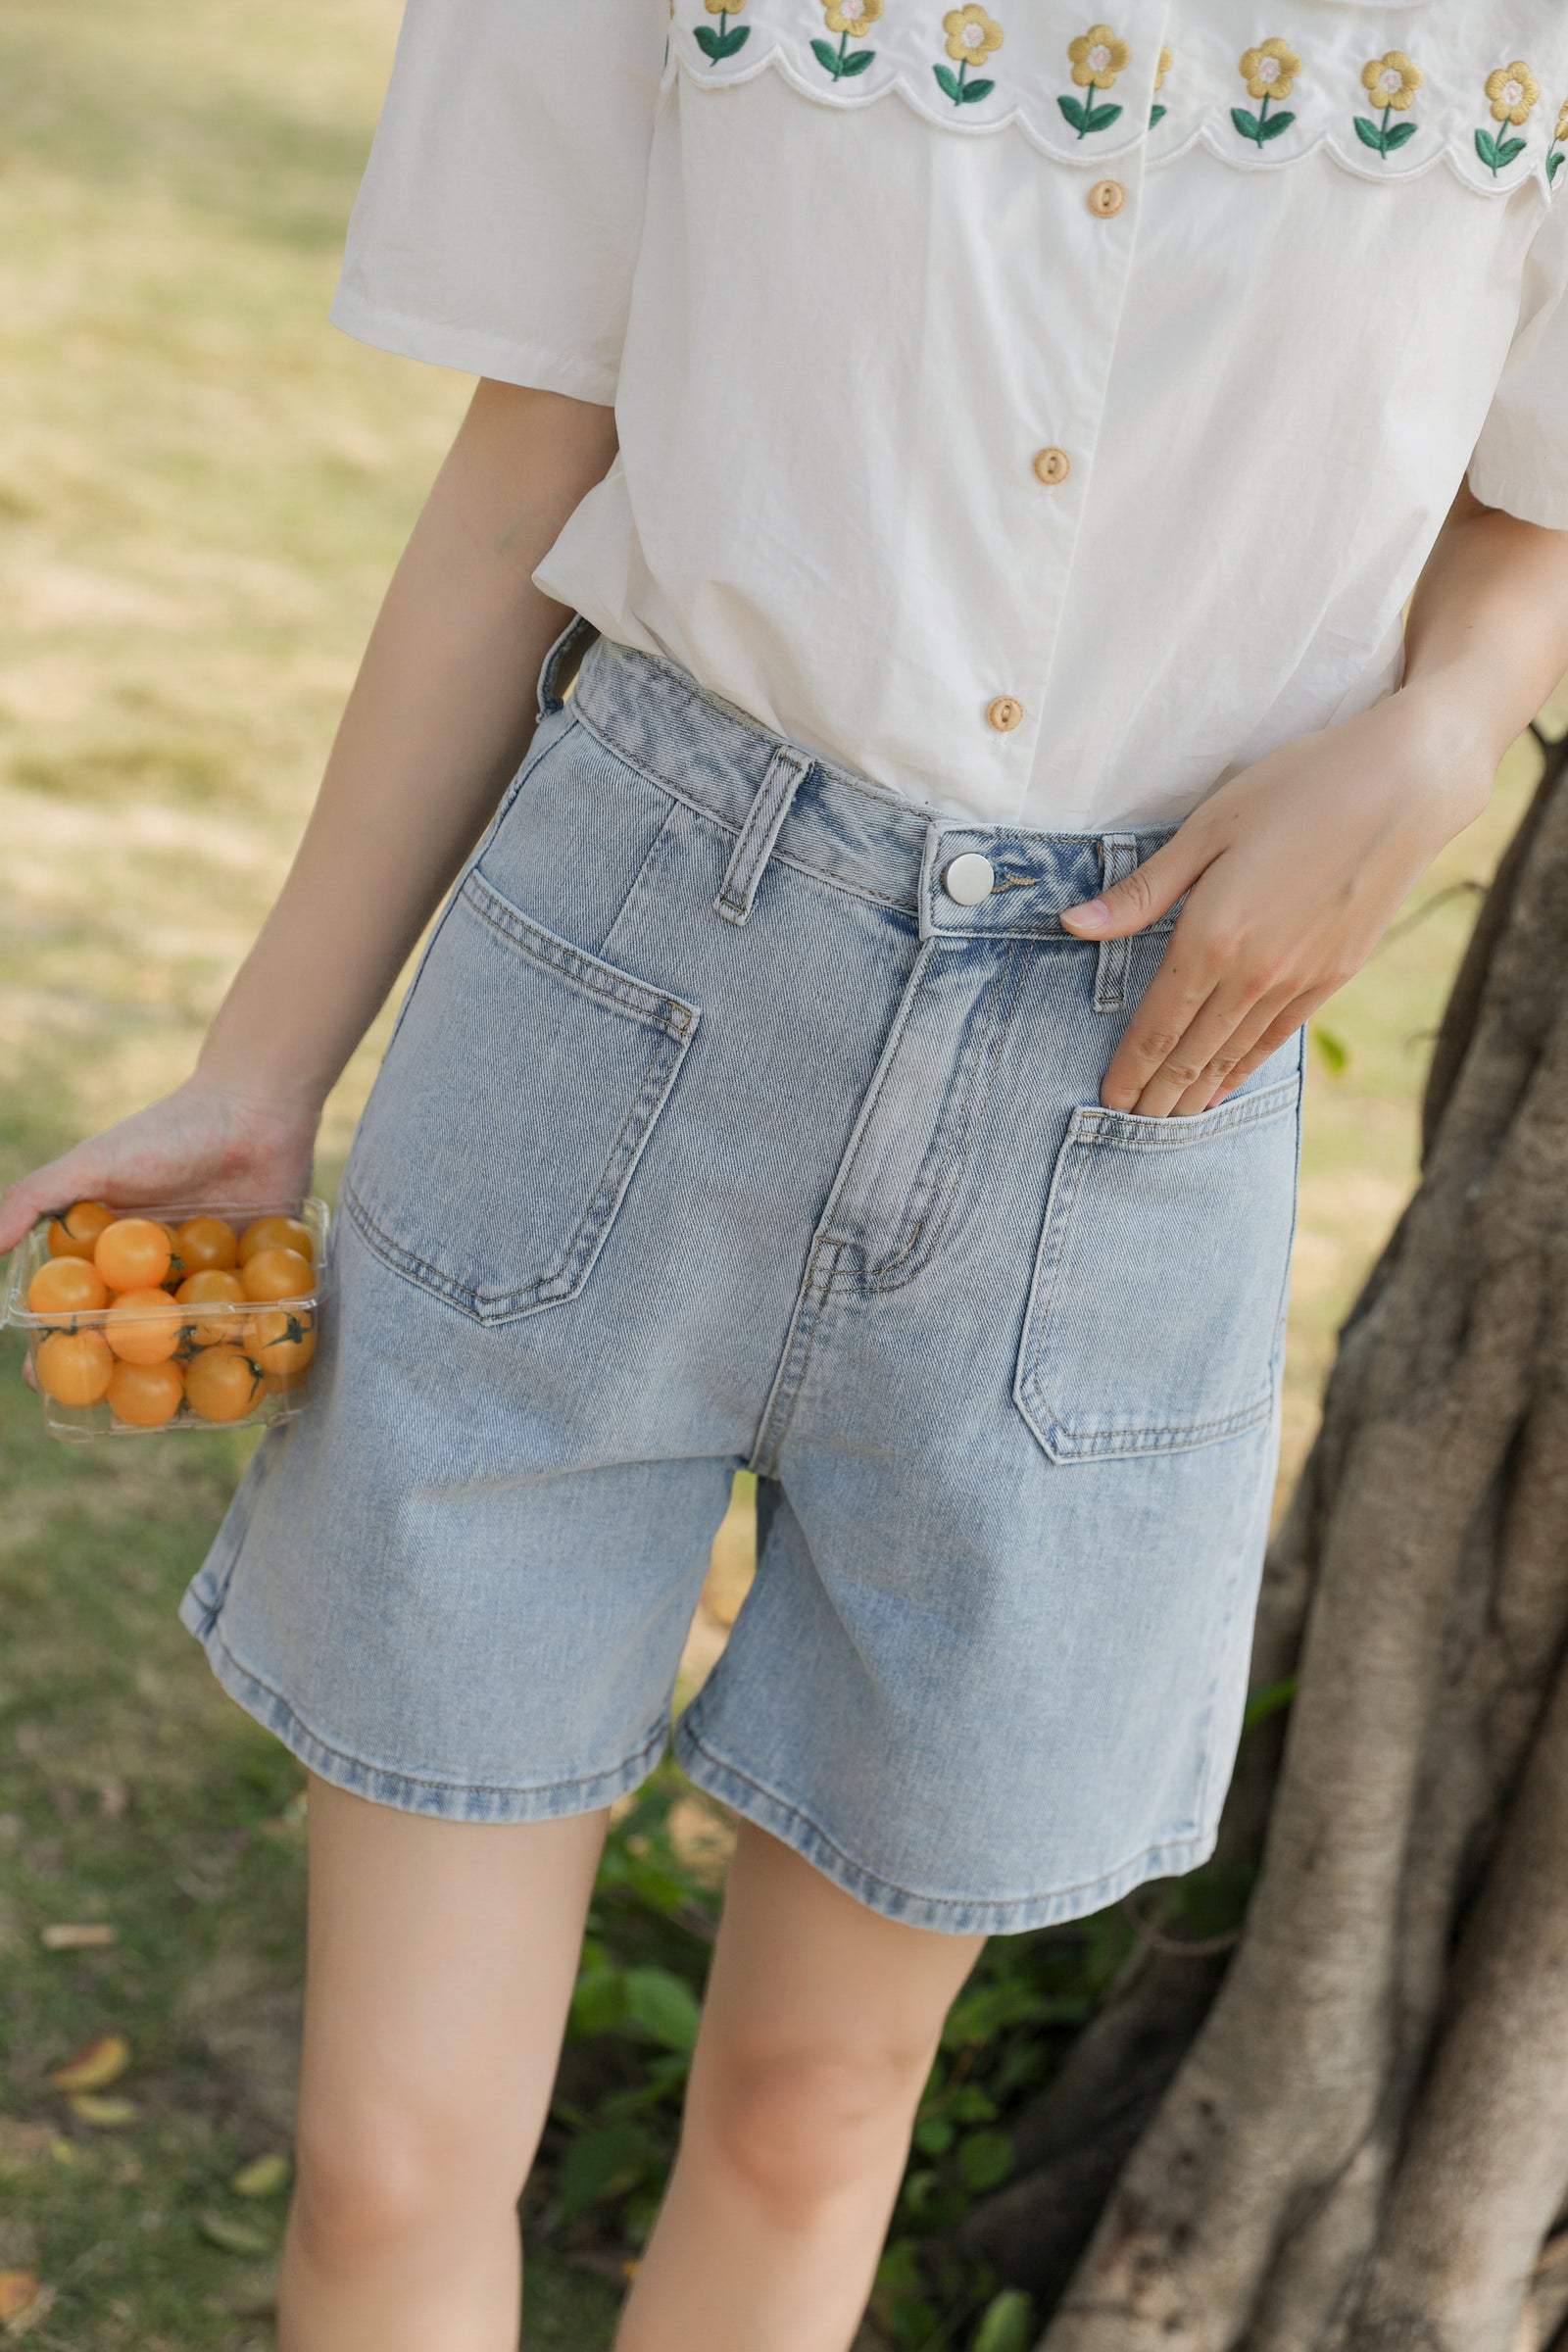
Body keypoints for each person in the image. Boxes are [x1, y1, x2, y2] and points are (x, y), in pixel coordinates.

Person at [7, 3, 1568, 2345]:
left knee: (815, 2114)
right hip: (614, 984)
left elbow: (1528, 496)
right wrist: (265, 1067)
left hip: (1125, 1084)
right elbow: (524, 464)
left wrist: (1441, 736)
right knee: (392, 2146)